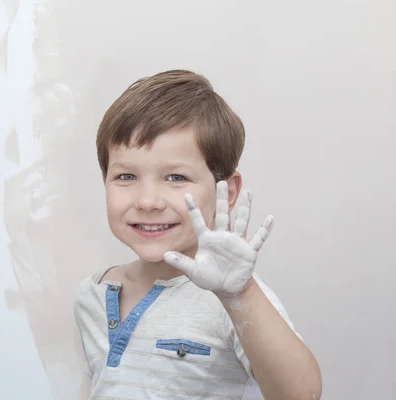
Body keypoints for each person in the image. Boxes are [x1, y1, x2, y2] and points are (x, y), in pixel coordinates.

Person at [73, 70, 322, 399]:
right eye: (126, 176)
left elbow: (300, 394)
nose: (147, 201)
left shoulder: (234, 297)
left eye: (175, 177)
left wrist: (240, 295)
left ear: (227, 192)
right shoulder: (92, 294)